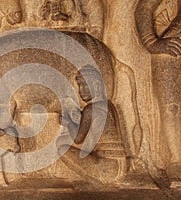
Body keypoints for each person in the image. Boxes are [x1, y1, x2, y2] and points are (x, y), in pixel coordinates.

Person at [135, 0, 181, 188]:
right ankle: (176, 161)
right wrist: (151, 42)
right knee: (170, 107)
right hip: (173, 46)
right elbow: (144, 8)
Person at [57, 65, 129, 183]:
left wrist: (68, 122)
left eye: (85, 85)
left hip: (106, 167)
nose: (81, 90)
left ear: (96, 85)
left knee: (63, 150)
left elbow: (78, 139)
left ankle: (95, 181)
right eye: (80, 86)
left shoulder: (90, 109)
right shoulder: (109, 105)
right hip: (121, 164)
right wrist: (80, 119)